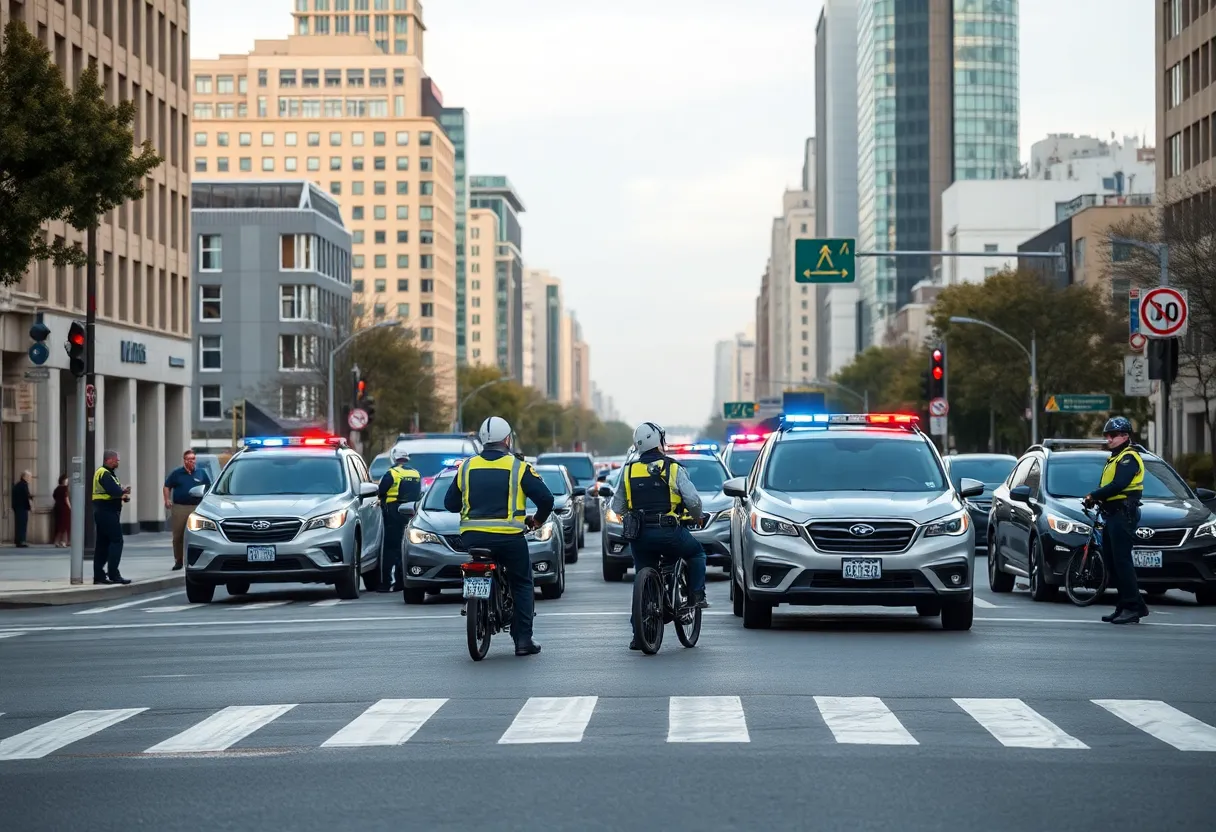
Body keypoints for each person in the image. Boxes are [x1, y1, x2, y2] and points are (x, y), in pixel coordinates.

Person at [443, 416, 553, 656]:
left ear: (483, 440)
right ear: (507, 440)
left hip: (473, 538)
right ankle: (523, 640)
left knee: (478, 567)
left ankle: (478, 605)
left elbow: (449, 504)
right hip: (509, 538)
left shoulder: (467, 467)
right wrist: (537, 520)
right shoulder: (519, 467)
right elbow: (546, 499)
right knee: (522, 583)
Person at [611, 422, 709, 651]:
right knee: (697, 554)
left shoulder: (628, 470)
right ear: (659, 441)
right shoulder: (672, 468)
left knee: (642, 576)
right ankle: (696, 596)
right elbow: (693, 501)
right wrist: (697, 517)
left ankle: (639, 636)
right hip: (669, 532)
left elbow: (617, 507)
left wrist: (633, 513)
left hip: (639, 535)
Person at [1083, 416, 1149, 625]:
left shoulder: (1129, 457)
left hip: (1123, 514)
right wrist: (1097, 500)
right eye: (1107, 435)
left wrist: (1094, 495)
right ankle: (1125, 605)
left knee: (1122, 562)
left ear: (1125, 436)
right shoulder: (1115, 458)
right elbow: (1109, 486)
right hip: (1112, 514)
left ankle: (1132, 607)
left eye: (1112, 435)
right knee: (1112, 562)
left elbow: (1119, 485)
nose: (1109, 439)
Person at [377, 451, 421, 592]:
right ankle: (400, 582)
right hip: (410, 513)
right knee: (405, 547)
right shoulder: (416, 473)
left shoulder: (392, 473)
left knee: (390, 548)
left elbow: (381, 491)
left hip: (393, 512)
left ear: (395, 460)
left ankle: (385, 583)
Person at [163, 450, 212, 571]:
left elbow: (209, 487)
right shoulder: (177, 473)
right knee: (178, 535)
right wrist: (167, 499)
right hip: (180, 507)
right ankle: (178, 560)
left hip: (197, 507)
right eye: (189, 459)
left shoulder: (201, 473)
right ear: (184, 460)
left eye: (193, 459)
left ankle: (199, 560)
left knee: (199, 534)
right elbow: (167, 486)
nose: (191, 461)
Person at [93, 450, 132, 585]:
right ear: (109, 460)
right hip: (107, 512)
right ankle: (114, 574)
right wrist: (122, 492)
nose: (118, 462)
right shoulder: (104, 473)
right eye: (116, 460)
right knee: (117, 541)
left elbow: (111, 492)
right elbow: (114, 491)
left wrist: (122, 495)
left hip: (102, 512)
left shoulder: (107, 473)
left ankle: (99, 576)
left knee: (102, 544)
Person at [11, 470, 32, 547]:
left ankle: (18, 540)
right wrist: (30, 505)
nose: (30, 478)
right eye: (29, 477)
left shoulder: (18, 485)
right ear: (24, 477)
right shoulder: (23, 485)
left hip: (18, 507)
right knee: (22, 524)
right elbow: (26, 496)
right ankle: (21, 541)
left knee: (19, 524)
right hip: (22, 507)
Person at [52, 475, 70, 548]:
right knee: (65, 525)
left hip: (57, 507)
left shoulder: (57, 489)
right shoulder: (65, 488)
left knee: (59, 525)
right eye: (66, 480)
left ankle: (56, 541)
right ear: (64, 480)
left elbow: (54, 496)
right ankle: (64, 541)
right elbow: (66, 499)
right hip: (64, 508)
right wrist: (70, 507)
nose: (67, 481)